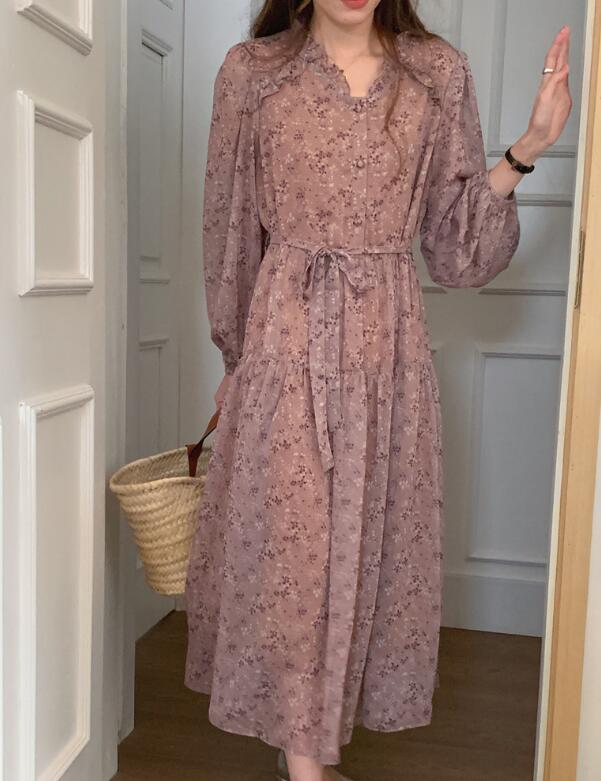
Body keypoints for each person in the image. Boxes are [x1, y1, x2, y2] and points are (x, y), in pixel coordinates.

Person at [184, 2, 572, 780]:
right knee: (296, 552)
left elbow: (457, 249)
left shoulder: (435, 74)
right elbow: (228, 227)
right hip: (286, 341)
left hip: (387, 352)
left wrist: (528, 147)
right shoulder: (253, 74)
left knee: (366, 551)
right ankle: (306, 764)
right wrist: (235, 354)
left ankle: (310, 748)